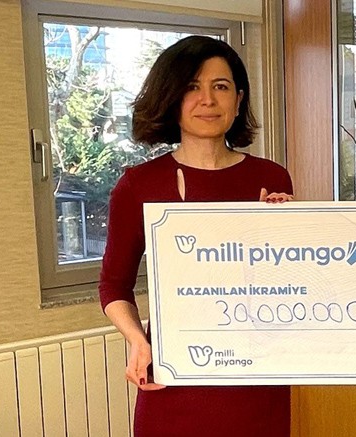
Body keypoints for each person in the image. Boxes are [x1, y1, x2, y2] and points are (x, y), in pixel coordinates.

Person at [99, 36, 294, 436]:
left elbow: (289, 284)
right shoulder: (138, 185)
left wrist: (286, 233)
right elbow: (113, 286)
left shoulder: (271, 178)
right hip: (175, 376)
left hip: (257, 379)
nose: (207, 99)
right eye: (192, 87)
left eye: (220, 86)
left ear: (238, 100)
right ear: (172, 98)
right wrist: (138, 341)